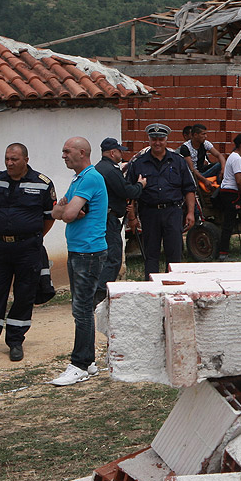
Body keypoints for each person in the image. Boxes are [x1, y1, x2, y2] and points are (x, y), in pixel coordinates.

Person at [0, 144, 56, 363]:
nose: (9, 163)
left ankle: (15, 341)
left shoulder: (42, 183)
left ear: (26, 160)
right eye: (7, 159)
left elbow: (49, 217)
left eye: (14, 159)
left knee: (24, 294)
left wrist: (30, 236)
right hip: (0, 248)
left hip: (28, 249)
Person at [49, 137, 108, 386]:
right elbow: (55, 211)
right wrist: (65, 211)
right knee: (83, 307)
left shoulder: (91, 177)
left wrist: (67, 211)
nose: (63, 155)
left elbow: (69, 212)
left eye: (67, 151)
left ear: (82, 152)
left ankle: (79, 364)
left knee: (81, 308)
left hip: (88, 252)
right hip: (79, 250)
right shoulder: (78, 179)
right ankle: (89, 361)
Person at [125, 123, 197, 280]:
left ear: (166, 140)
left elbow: (189, 189)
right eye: (154, 139)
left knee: (174, 254)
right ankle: (151, 290)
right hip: (149, 213)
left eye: (161, 139)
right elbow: (130, 193)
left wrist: (190, 212)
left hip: (173, 212)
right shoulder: (138, 163)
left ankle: (174, 289)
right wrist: (132, 217)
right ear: (149, 140)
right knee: (151, 255)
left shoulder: (178, 162)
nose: (157, 143)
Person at [94, 137, 146, 305]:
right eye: (119, 151)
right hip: (109, 219)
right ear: (112, 152)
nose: (121, 154)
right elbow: (126, 191)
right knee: (114, 258)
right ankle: (100, 295)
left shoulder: (100, 168)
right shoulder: (110, 170)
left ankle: (98, 292)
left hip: (105, 217)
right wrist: (140, 185)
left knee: (105, 257)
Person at [217, 133, 241, 260]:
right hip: (230, 193)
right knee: (228, 223)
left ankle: (224, 252)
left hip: (229, 191)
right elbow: (239, 181)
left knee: (229, 222)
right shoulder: (237, 159)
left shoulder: (234, 157)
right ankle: (223, 253)